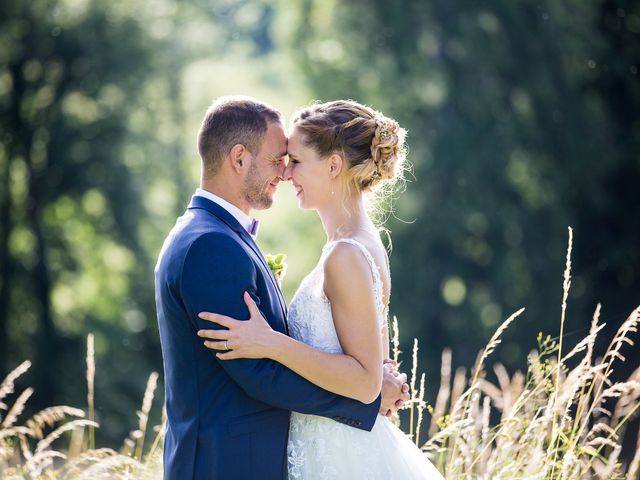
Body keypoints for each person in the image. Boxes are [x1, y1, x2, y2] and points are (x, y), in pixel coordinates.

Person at [154, 96, 410, 479]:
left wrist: (370, 385)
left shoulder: (219, 237)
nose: (286, 173)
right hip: (224, 462)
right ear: (239, 159)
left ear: (334, 165)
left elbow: (360, 360)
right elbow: (259, 372)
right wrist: (368, 399)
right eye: (279, 160)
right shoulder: (209, 244)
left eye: (292, 161)